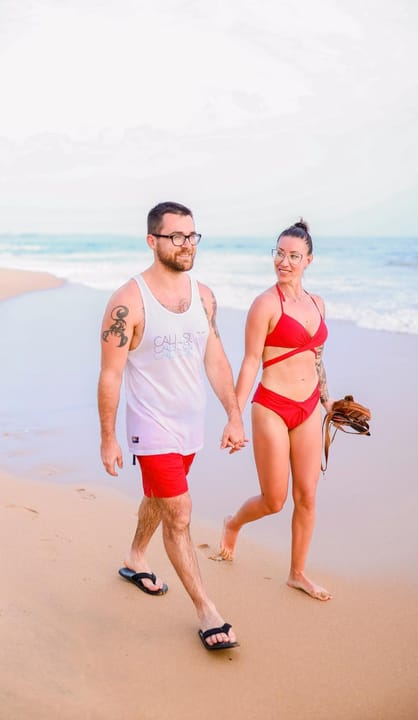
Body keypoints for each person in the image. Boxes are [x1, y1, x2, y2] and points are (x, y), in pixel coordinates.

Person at [98, 201, 246, 650]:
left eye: (191, 235)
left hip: (190, 425)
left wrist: (234, 413)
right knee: (179, 513)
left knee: (158, 499)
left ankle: (135, 556)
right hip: (151, 425)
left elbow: (215, 357)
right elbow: (111, 374)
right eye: (176, 236)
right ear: (153, 241)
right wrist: (108, 438)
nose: (186, 244)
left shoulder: (203, 296)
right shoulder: (128, 301)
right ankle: (207, 611)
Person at [214, 219, 334, 601]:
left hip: (309, 407)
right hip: (272, 406)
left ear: (309, 260)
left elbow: (316, 357)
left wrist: (327, 399)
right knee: (274, 500)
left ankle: (297, 573)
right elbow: (251, 361)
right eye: (279, 253)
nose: (284, 262)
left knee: (308, 496)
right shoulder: (265, 304)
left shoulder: (318, 303)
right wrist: (234, 416)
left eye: (293, 256)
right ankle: (233, 524)